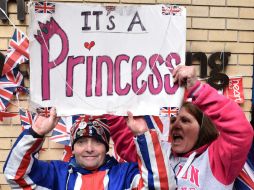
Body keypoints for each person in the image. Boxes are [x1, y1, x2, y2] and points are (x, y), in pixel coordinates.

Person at [108, 65, 254, 189]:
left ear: (203, 127)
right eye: (172, 120)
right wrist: (109, 105)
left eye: (185, 120)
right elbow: (128, 146)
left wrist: (197, 89)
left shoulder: (217, 158)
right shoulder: (161, 150)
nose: (176, 125)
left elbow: (240, 131)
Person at [3, 108, 176, 189]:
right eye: (81, 142)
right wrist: (36, 132)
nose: (89, 148)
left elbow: (161, 187)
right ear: (73, 147)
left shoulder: (125, 175)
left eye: (97, 142)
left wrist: (143, 135)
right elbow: (15, 176)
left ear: (106, 147)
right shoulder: (57, 174)